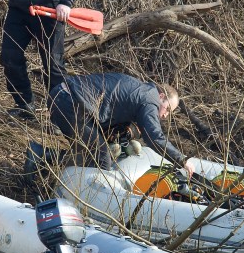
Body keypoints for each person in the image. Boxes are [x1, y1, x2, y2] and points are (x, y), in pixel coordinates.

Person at [49, 73, 194, 176]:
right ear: (161, 96)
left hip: (64, 94)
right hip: (70, 102)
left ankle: (41, 156)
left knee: (90, 150)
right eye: (167, 109)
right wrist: (181, 160)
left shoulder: (139, 88)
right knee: (102, 157)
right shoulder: (151, 100)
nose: (164, 115)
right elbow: (154, 137)